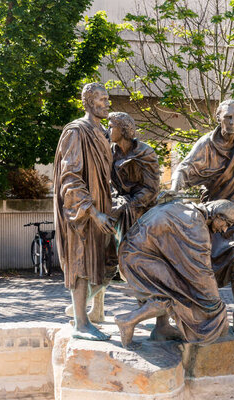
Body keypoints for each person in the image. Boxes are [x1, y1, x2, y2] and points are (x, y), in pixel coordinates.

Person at [165, 99, 234, 334]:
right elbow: (184, 168)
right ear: (219, 118)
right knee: (200, 263)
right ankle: (204, 311)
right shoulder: (207, 144)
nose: (232, 121)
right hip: (214, 216)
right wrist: (174, 190)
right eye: (227, 117)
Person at [115, 200, 234, 349]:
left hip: (136, 252)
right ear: (217, 216)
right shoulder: (196, 228)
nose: (225, 230)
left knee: (173, 283)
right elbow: (201, 273)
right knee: (175, 295)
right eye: (226, 224)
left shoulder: (186, 206)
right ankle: (128, 321)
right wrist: (215, 305)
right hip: (137, 259)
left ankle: (162, 329)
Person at [53, 82, 117, 341]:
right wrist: (91, 212)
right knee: (80, 261)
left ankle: (94, 312)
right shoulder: (76, 132)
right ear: (89, 102)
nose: (107, 103)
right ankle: (81, 323)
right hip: (82, 213)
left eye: (107, 98)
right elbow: (70, 177)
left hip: (104, 207)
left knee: (106, 261)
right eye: (102, 99)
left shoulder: (103, 132)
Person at [83, 112, 161, 323]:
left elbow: (151, 189)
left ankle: (147, 311)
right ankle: (96, 308)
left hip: (141, 213)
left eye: (111, 127)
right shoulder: (109, 152)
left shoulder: (145, 152)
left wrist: (127, 205)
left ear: (124, 130)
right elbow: (105, 183)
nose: (108, 131)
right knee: (103, 256)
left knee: (134, 262)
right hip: (116, 209)